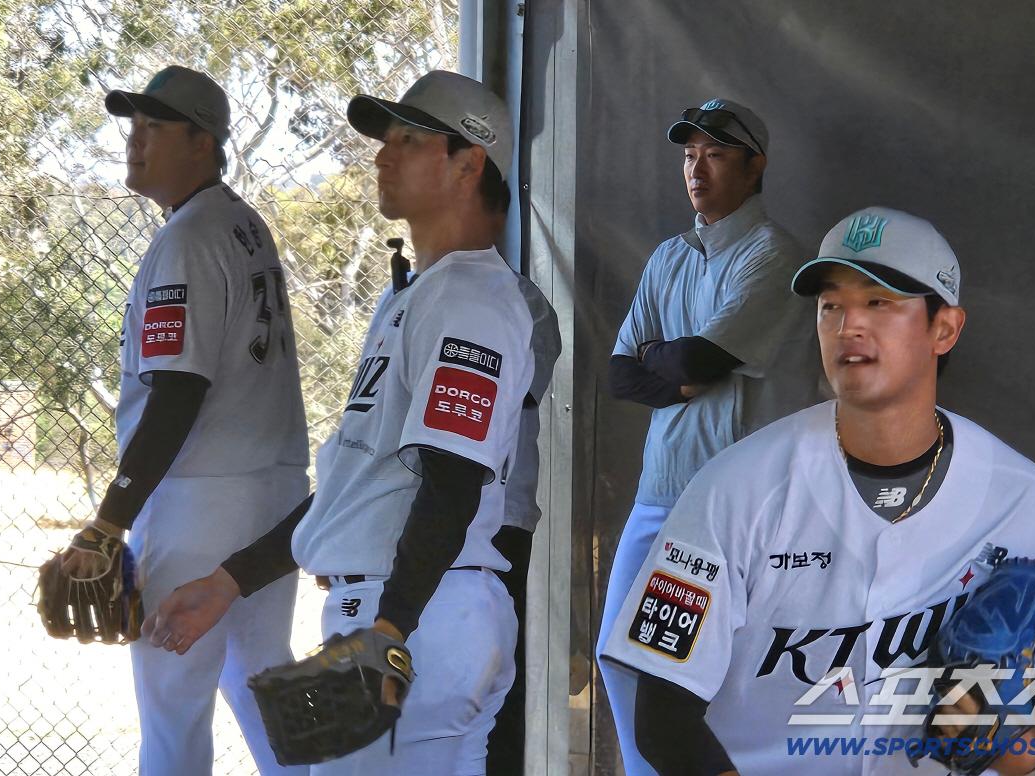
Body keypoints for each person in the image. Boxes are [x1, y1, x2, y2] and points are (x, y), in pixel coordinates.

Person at [140, 70, 561, 776]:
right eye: (385, 138)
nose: (383, 154)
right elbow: (355, 492)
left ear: (469, 164)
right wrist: (227, 582)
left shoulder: (470, 297)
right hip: (413, 611)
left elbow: (452, 482)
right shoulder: (420, 294)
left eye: (409, 139)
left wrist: (388, 633)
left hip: (413, 614)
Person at [600, 207, 1035, 776]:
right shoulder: (734, 488)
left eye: (879, 302)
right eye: (832, 306)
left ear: (944, 328)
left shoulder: (1021, 497)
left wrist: (1008, 732)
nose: (849, 324)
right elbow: (662, 715)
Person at [70, 65, 311, 775]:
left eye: (154, 126)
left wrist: (111, 518)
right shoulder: (243, 223)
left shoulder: (189, 235)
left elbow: (179, 388)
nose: (135, 141)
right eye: (133, 125)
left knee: (172, 702)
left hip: (202, 493)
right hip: (272, 489)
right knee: (261, 676)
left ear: (202, 143)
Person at [597, 98, 822, 776]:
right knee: (621, 659)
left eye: (716, 153)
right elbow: (618, 375)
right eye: (689, 154)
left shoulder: (774, 252)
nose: (697, 167)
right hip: (658, 494)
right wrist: (686, 364)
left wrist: (676, 362)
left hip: (729, 506)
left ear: (755, 167)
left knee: (708, 685)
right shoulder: (670, 255)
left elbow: (697, 363)